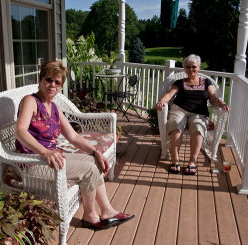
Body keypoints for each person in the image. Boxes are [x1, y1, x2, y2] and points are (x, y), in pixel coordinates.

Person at [15, 60, 134, 230]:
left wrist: (95, 152)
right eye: (48, 80)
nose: (52, 85)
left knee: (94, 161)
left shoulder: (53, 107)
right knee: (89, 170)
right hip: (34, 162)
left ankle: (107, 210)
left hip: (52, 158)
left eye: (57, 82)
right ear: (40, 80)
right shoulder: (30, 101)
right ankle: (89, 215)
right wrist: (44, 152)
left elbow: (72, 136)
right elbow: (20, 131)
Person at [156, 54, 230, 175]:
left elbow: (213, 98)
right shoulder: (179, 82)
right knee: (175, 123)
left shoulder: (206, 83)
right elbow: (170, 94)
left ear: (199, 67)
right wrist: (162, 101)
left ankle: (192, 161)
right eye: (188, 67)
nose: (191, 69)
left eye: (193, 67)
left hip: (199, 112)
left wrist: (221, 103)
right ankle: (175, 160)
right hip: (179, 109)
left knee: (198, 127)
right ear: (185, 68)